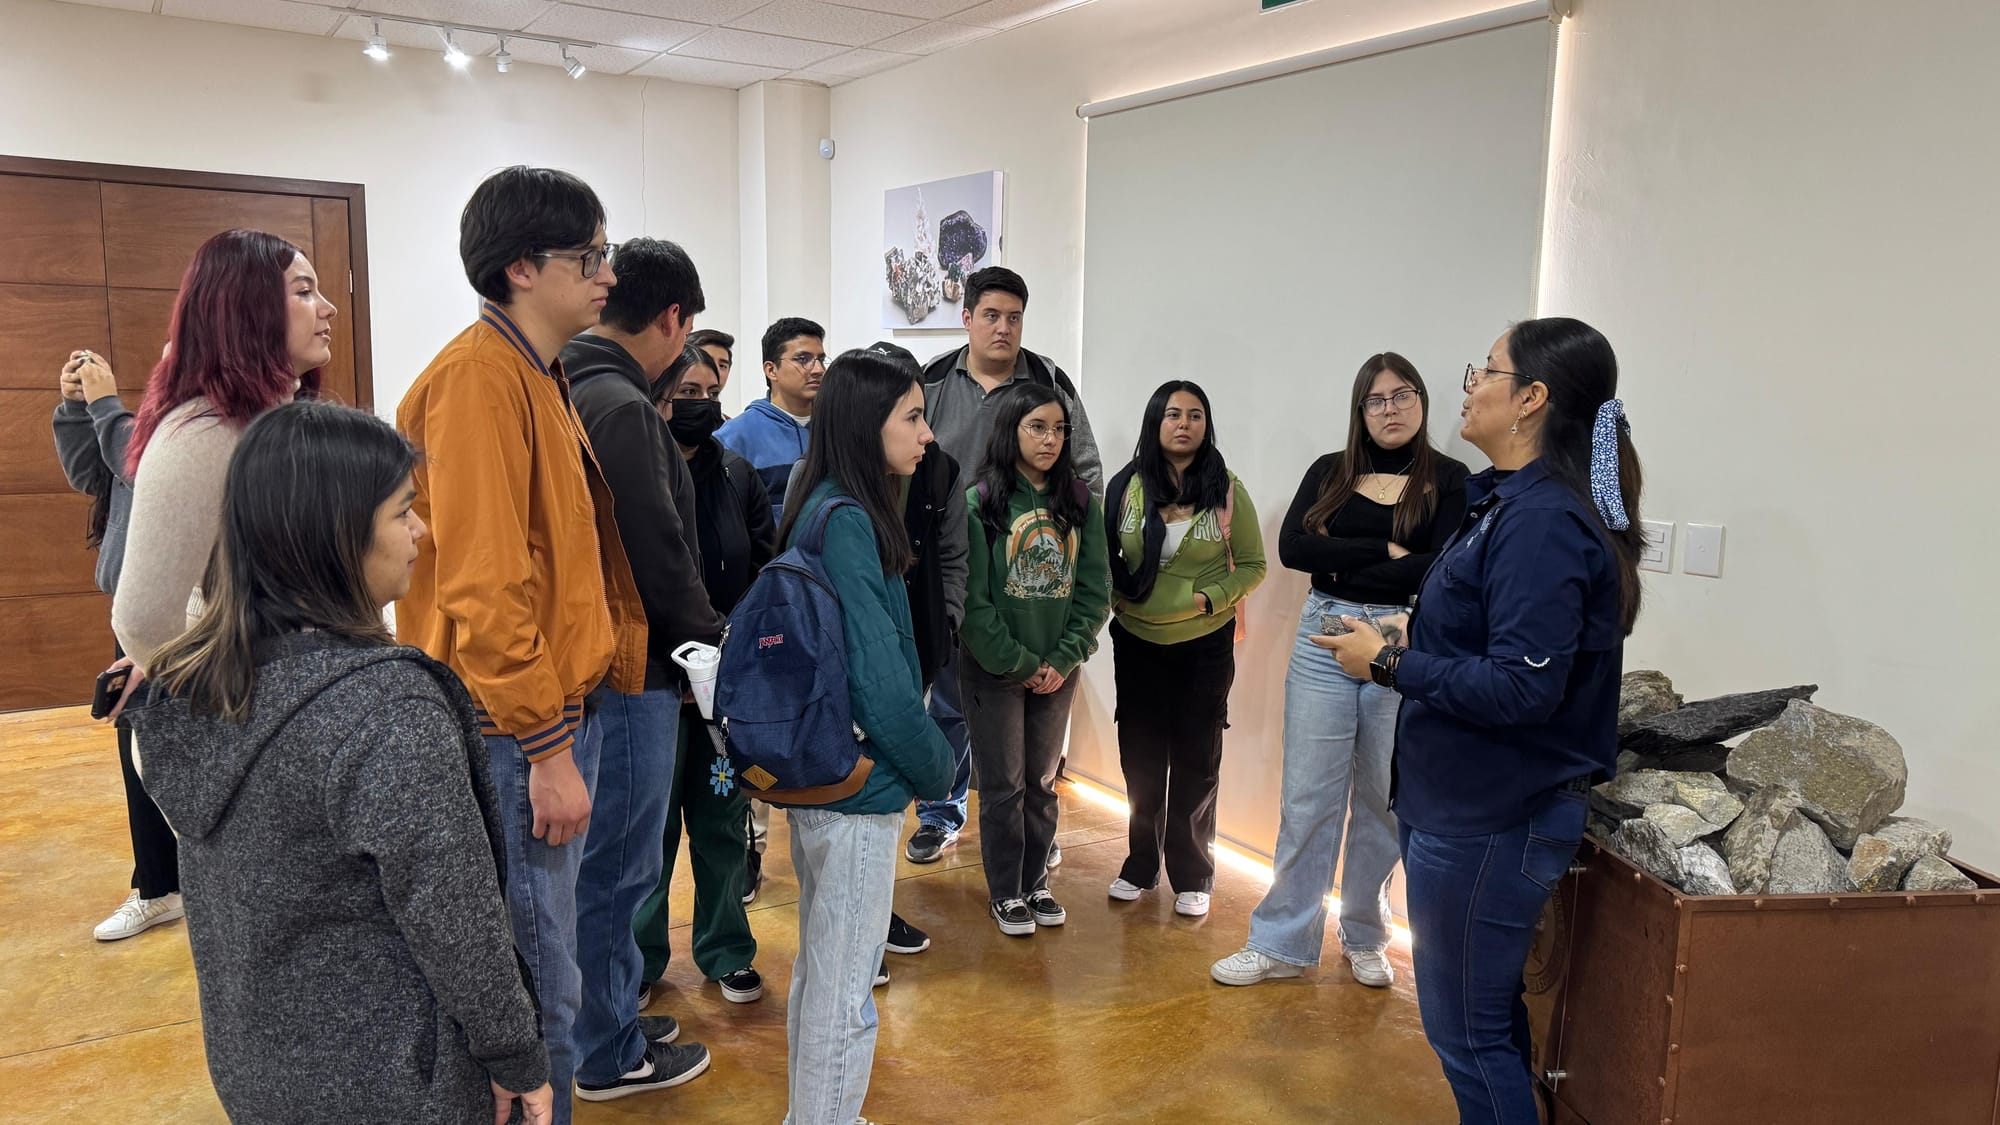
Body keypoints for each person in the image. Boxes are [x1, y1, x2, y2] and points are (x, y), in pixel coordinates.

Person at [125, 401, 554, 1125]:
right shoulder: (384, 711)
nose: (422, 531)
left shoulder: (197, 687)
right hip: (396, 1083)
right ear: (336, 536)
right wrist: (516, 1054)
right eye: (403, 512)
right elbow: (456, 918)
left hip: (257, 1070)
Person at [1317, 318, 1643, 1124]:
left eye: (1486, 370)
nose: (1470, 383)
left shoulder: (1542, 522)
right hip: (1466, 804)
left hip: (1496, 813)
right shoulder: (1507, 501)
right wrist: (1411, 635)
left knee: (1467, 1034)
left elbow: (1522, 689)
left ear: (1531, 399)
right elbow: (1499, 642)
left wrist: (1388, 662)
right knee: (1484, 1022)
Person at [395, 166, 655, 1125]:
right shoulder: (476, 380)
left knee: (551, 963)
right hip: (514, 729)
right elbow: (485, 584)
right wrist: (547, 745)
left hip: (548, 715)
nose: (606, 273)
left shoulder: (535, 373)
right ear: (520, 268)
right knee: (537, 978)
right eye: (588, 256)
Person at [1211, 353, 1468, 990]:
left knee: (1383, 799)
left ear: (1421, 400)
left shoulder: (1452, 478)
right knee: (1307, 798)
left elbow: (1439, 567)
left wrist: (1352, 560)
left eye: (1401, 396)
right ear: (1360, 411)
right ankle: (1280, 941)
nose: (1390, 410)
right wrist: (1385, 548)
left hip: (1403, 637)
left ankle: (1365, 935)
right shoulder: (1331, 472)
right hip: (1325, 631)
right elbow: (1297, 549)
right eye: (1376, 400)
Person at [560, 237, 723, 1098]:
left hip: (613, 664)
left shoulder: (572, 381)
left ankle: (610, 1010)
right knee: (620, 866)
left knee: (613, 865)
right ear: (674, 320)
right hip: (629, 670)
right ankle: (608, 1050)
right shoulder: (618, 404)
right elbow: (653, 550)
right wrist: (710, 636)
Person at [774, 349, 954, 1124]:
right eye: (912, 417)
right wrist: (938, 768)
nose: (927, 433)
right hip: (857, 783)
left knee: (824, 972)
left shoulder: (823, 500)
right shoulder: (847, 520)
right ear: (864, 424)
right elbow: (881, 680)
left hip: (827, 776)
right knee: (846, 987)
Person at [909, 266, 1103, 869]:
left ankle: (1030, 834)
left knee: (1032, 724)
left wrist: (1058, 533)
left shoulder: (1049, 381)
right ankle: (941, 813)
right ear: (965, 317)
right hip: (948, 567)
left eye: (1014, 317)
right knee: (949, 701)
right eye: (990, 315)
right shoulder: (933, 382)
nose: (1003, 328)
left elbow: (1086, 473)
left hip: (1030, 570)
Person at [112, 228, 332, 671]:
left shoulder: (273, 421)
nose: (328, 308)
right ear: (247, 310)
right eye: (305, 292)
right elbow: (145, 622)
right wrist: (224, 696)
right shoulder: (206, 435)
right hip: (249, 720)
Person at [629, 343, 770, 1006]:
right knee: (649, 832)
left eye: (706, 390)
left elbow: (766, 572)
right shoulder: (631, 474)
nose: (697, 402)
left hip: (721, 692)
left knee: (720, 818)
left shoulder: (738, 476)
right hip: (651, 688)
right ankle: (640, 960)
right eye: (682, 392)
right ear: (658, 398)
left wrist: (729, 651)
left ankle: (725, 949)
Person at [1104, 380, 1264, 918]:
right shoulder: (1127, 485)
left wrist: (1209, 597)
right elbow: (1106, 559)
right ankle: (1141, 864)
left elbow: (1253, 564)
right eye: (1173, 414)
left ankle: (1193, 873)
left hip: (1203, 645)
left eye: (1195, 415)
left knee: (1196, 760)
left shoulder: (1225, 488)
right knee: (1140, 760)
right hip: (1137, 641)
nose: (1184, 424)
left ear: (1206, 425)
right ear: (1155, 421)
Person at [958, 383, 1111, 936]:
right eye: (1037, 427)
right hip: (995, 669)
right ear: (1010, 431)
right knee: (1005, 784)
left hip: (1058, 669)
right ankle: (1006, 891)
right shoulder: (978, 502)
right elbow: (974, 605)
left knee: (1045, 782)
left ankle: (1035, 882)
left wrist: (1064, 658)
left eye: (1059, 429)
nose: (1050, 440)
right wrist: (1021, 663)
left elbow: (1095, 591)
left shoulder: (1080, 502)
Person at [52, 348, 183, 942]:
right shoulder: (147, 425)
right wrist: (77, 410)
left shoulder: (192, 425)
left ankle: (177, 885)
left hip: (190, 614)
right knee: (140, 758)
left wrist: (105, 405)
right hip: (138, 611)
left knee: (184, 757)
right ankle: (158, 886)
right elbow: (92, 474)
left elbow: (145, 468)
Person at [718, 316, 822, 524]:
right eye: (804, 359)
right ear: (771, 370)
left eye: (820, 358)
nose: (818, 369)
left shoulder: (837, 429)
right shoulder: (734, 437)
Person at [688, 327, 735, 409]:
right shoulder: (662, 419)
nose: (716, 371)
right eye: (708, 362)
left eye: (722, 366)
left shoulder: (731, 422)